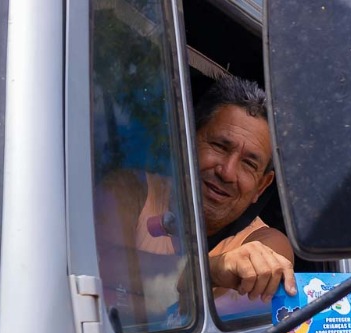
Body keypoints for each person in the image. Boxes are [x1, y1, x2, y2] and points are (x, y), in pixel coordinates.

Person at [127, 75, 296, 302]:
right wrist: (213, 269)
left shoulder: (266, 244)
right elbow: (102, 266)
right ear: (186, 142)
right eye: (219, 146)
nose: (227, 172)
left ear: (261, 186)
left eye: (249, 164)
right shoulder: (132, 191)